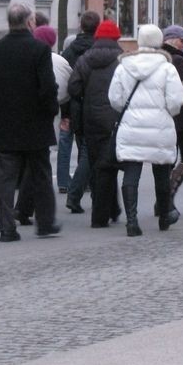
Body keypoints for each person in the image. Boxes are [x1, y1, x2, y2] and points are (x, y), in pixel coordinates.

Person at [0, 4, 61, 242]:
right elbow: (47, 87)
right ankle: (45, 223)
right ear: (30, 23)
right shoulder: (39, 49)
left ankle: (6, 228)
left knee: (6, 178)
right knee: (40, 174)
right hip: (35, 122)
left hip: (6, 121)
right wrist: (51, 111)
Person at [109, 24, 183, 236]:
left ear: (139, 41)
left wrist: (130, 109)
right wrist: (166, 112)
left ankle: (132, 221)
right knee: (161, 172)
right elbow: (175, 102)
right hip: (160, 127)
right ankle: (164, 216)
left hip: (131, 126)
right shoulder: (167, 68)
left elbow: (114, 99)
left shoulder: (124, 66)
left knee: (131, 173)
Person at [68, 19, 124, 228]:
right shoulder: (122, 60)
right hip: (116, 119)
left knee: (99, 166)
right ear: (117, 38)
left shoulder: (84, 60)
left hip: (91, 120)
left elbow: (73, 88)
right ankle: (106, 213)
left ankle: (108, 211)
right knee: (110, 166)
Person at [59, 10, 100, 209]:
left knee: (85, 148)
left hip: (76, 106)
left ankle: (87, 194)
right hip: (97, 106)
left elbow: (66, 85)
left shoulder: (69, 51)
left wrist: (65, 113)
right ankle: (75, 194)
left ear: (81, 26)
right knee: (89, 153)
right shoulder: (99, 50)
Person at [159, 24, 183, 222]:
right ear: (172, 40)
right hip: (182, 117)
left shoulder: (158, 58)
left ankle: (163, 202)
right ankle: (167, 198)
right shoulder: (179, 61)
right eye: (182, 41)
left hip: (163, 116)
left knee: (167, 161)